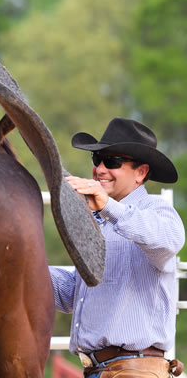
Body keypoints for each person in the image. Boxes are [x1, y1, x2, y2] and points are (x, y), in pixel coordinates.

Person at [49, 117, 185, 378]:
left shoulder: (157, 211)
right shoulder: (99, 221)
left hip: (133, 371)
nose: (100, 169)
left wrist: (106, 206)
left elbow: (169, 239)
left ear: (141, 172)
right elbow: (74, 293)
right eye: (97, 159)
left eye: (111, 162)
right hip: (101, 371)